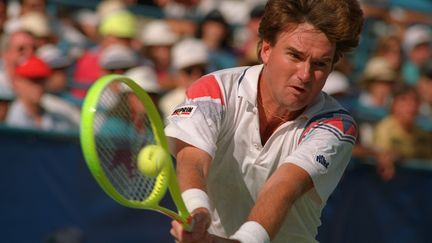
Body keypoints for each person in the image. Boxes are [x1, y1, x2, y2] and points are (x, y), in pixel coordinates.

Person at [166, 0, 364, 242]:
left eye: (320, 64)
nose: (304, 75)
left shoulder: (337, 125)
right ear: (266, 50)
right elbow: (192, 158)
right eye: (295, 55)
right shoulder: (214, 89)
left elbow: (283, 188)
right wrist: (197, 211)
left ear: (332, 66)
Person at [373, 84, 432, 181]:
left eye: (414, 100)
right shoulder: (385, 128)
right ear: (392, 105)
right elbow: (382, 154)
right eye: (403, 100)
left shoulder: (423, 134)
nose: (411, 105)